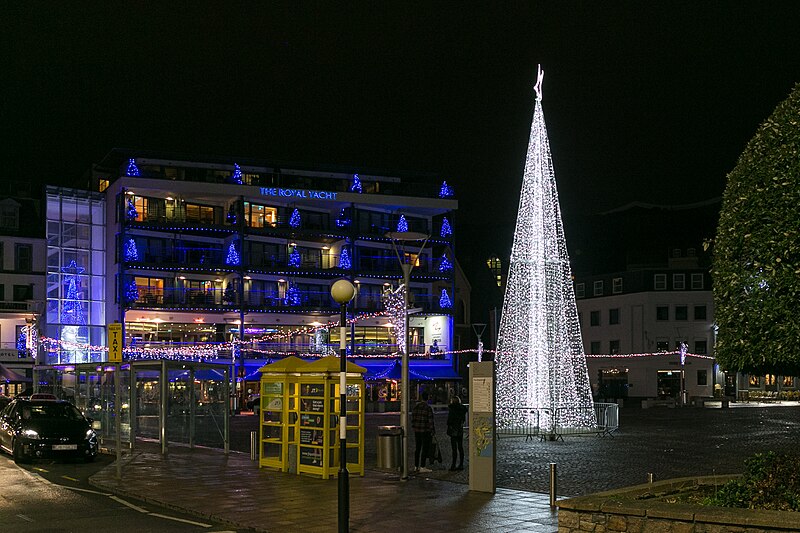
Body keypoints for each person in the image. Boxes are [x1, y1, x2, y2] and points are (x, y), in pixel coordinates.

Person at [411, 390, 435, 473]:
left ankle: (416, 466)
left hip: (417, 430)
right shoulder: (428, 408)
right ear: (427, 398)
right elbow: (430, 421)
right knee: (424, 448)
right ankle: (422, 466)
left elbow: (413, 419)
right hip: (425, 431)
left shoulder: (416, 407)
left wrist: (414, 427)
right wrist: (432, 430)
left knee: (417, 448)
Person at [447, 395, 467, 471]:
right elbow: (463, 420)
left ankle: (453, 464)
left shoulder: (452, 409)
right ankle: (461, 464)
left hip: (453, 430)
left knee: (454, 448)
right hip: (460, 429)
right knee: (460, 447)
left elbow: (449, 420)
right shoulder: (462, 409)